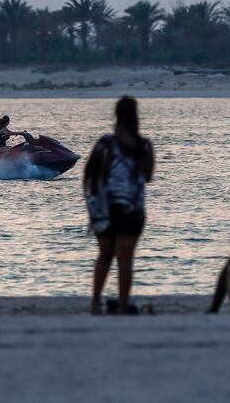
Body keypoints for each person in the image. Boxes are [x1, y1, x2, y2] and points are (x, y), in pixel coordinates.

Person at [84, 96, 154, 315]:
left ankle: (95, 303)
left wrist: (93, 212)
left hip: (106, 209)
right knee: (126, 259)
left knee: (104, 256)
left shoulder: (106, 144)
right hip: (133, 209)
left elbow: (90, 176)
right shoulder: (144, 145)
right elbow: (148, 176)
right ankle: (123, 306)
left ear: (116, 116)